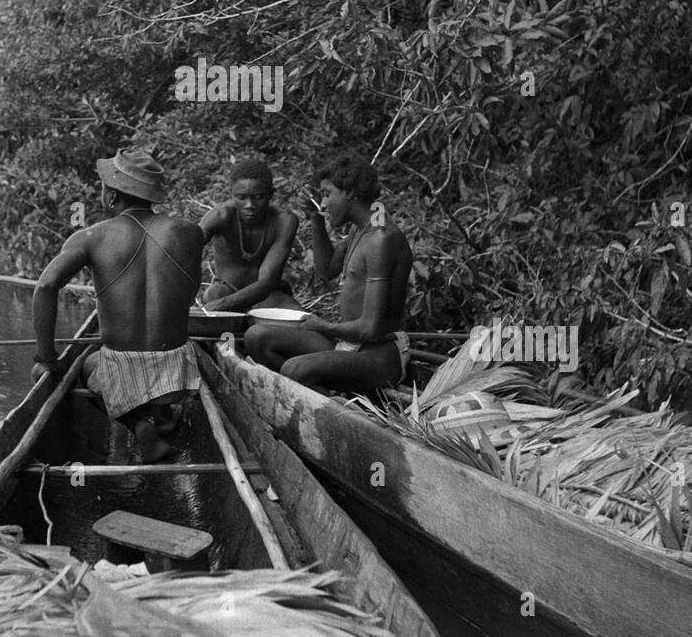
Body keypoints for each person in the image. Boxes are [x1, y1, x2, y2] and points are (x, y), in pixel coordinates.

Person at [32, 149, 204, 462]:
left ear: (111, 196)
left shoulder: (90, 237)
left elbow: (45, 286)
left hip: (121, 375)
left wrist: (47, 358)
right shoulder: (190, 233)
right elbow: (188, 295)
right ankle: (163, 415)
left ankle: (139, 423)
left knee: (86, 365)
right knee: (148, 357)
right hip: (178, 378)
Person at [244, 153, 412, 393]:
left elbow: (370, 329)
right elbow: (327, 270)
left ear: (350, 192)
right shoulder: (360, 229)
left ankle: (319, 393)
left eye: (326, 194)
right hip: (346, 345)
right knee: (256, 337)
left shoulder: (381, 240)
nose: (322, 203)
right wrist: (315, 220)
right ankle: (322, 391)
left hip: (377, 356)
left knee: (295, 369)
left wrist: (323, 326)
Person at [198, 158, 300, 312]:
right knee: (215, 293)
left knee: (298, 318)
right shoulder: (220, 216)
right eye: (241, 197)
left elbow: (267, 281)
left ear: (271, 193)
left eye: (258, 197)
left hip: (268, 295)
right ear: (232, 194)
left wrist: (221, 305)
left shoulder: (283, 221)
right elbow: (185, 253)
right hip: (226, 290)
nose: (249, 205)